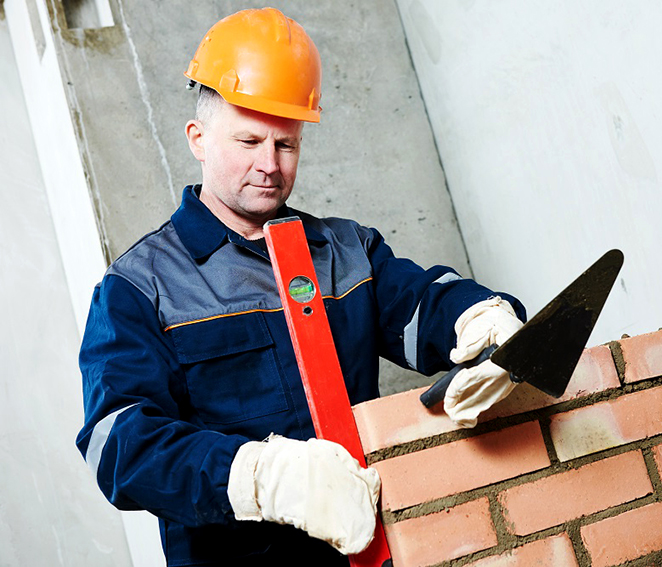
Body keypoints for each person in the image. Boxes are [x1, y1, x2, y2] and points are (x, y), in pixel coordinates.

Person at [75, 8, 525, 566]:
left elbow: (426, 305)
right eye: (248, 141)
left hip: (370, 554)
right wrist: (260, 477)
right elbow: (117, 447)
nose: (269, 165)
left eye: (285, 145)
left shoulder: (345, 251)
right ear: (198, 138)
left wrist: (483, 317)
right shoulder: (140, 288)